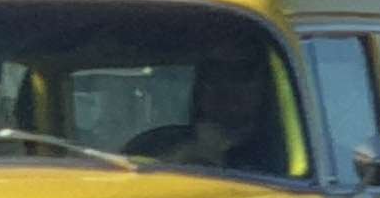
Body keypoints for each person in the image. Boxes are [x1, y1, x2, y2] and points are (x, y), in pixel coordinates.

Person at [122, 55, 286, 174]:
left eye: (241, 75)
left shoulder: (283, 153)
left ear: (267, 87)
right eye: (213, 76)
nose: (225, 86)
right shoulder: (153, 143)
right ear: (198, 88)